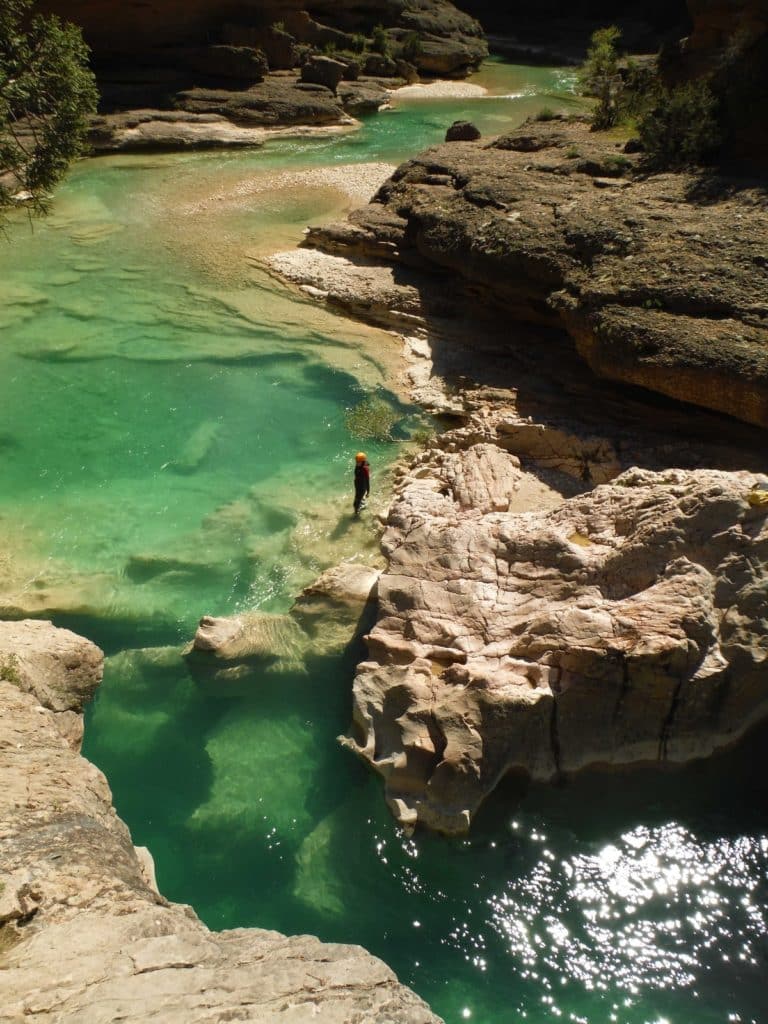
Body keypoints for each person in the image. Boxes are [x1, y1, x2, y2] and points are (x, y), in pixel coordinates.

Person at [353, 452, 370, 516]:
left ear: (363, 462)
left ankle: (356, 515)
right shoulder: (358, 466)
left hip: (362, 488)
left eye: (358, 462)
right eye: (356, 461)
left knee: (355, 503)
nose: (357, 463)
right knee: (358, 499)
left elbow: (367, 481)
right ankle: (362, 505)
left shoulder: (365, 470)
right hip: (357, 485)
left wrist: (368, 491)